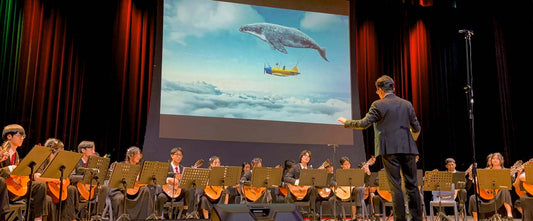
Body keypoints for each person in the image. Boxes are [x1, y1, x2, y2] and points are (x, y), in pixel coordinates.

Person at [337, 75, 422, 221]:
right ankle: (417, 219)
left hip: (389, 150)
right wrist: (410, 140)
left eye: (377, 92)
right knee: (412, 186)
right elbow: (417, 128)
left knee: (395, 186)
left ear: (380, 90)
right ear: (393, 88)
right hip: (408, 149)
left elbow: (364, 123)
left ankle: (400, 219)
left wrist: (346, 122)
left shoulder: (378, 104)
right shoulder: (407, 104)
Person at [0, 124, 49, 221]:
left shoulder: (16, 154)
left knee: (40, 185)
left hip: (14, 187)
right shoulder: (1, 152)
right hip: (4, 189)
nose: (22, 138)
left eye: (23, 136)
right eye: (19, 135)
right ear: (9, 136)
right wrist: (9, 169)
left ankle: (38, 219)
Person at [468, 152, 514, 220]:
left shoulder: (505, 171)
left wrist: (512, 175)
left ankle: (509, 215)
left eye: (497, 159)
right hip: (485, 195)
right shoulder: (486, 170)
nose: (495, 160)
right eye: (493, 158)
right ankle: (476, 219)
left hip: (498, 196)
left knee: (504, 190)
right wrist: (480, 183)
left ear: (501, 161)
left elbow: (509, 184)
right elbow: (475, 180)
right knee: (473, 198)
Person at [155, 147, 196, 219]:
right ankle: (159, 216)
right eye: (177, 155)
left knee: (187, 191)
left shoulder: (183, 169)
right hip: (167, 193)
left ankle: (184, 213)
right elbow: (160, 179)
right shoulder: (166, 167)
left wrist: (192, 173)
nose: (179, 157)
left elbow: (186, 182)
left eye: (180, 155)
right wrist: (169, 180)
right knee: (160, 197)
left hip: (178, 193)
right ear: (172, 156)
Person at [283, 149, 320, 219]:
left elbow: (314, 182)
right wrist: (296, 182)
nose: (306, 157)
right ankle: (289, 216)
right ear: (301, 157)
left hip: (306, 193)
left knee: (313, 189)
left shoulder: (310, 169)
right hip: (296, 192)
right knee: (287, 198)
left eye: (308, 157)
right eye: (305, 156)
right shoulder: (295, 167)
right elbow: (286, 177)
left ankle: (312, 212)